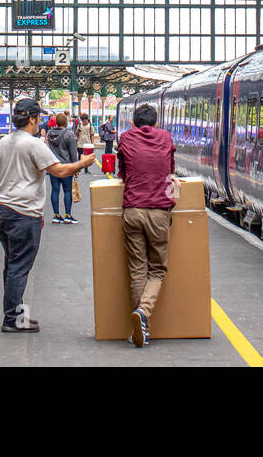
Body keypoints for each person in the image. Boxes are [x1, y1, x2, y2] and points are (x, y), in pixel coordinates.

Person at [0, 98, 95, 333]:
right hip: (23, 212)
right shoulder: (34, 144)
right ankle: (11, 320)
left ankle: (17, 315)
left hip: (0, 209)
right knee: (19, 267)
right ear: (32, 118)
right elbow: (58, 170)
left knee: (12, 263)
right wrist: (83, 162)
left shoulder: (2, 143)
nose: (40, 122)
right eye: (38, 118)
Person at [116, 103, 175, 348]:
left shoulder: (125, 139)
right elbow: (170, 172)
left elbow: (122, 173)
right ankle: (144, 312)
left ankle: (142, 329)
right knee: (157, 270)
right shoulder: (167, 138)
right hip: (159, 211)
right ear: (156, 123)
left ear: (133, 123)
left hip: (132, 211)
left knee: (138, 270)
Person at [45, 112, 78, 224]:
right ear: (66, 122)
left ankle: (56, 215)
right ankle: (68, 215)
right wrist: (76, 168)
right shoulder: (69, 134)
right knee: (67, 190)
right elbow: (73, 153)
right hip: (66, 166)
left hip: (54, 166)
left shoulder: (49, 134)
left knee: (55, 190)